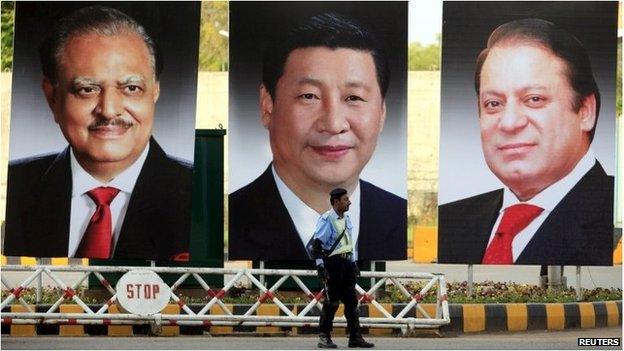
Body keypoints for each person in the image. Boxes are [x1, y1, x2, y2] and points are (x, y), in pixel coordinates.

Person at [3, 6, 192, 260]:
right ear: (52, 97)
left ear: (154, 92)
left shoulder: (197, 194)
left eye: (132, 88)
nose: (109, 110)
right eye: (87, 89)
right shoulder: (18, 186)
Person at [229, 12, 406, 261]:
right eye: (309, 96)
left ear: (382, 113)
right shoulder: (234, 218)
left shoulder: (397, 216)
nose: (333, 124)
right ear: (267, 105)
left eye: (353, 98)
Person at [438, 18, 614, 265]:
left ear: (585, 111)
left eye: (534, 99)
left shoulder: (614, 216)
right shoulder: (449, 222)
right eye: (493, 104)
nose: (509, 123)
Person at [311, 188, 374, 349]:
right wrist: (320, 267)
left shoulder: (346, 219)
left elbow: (348, 244)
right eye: (346, 199)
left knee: (352, 302)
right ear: (336, 202)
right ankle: (324, 337)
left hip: (346, 265)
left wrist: (353, 263)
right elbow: (317, 245)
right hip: (333, 264)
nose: (349, 202)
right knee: (332, 302)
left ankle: (355, 337)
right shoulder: (327, 219)